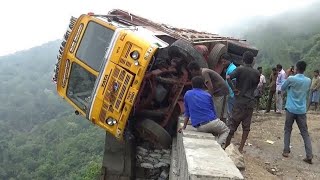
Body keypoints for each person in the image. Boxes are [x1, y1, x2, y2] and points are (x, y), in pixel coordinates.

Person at [224, 51, 260, 153]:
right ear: (252, 61)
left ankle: (226, 145)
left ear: (243, 60)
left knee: (232, 124)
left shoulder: (240, 69)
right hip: (250, 102)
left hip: (239, 101)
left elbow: (228, 77)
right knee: (246, 127)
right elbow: (255, 86)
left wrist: (234, 89)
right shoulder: (257, 73)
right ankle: (241, 148)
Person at [178, 76, 230, 145]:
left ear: (192, 84)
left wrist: (184, 127)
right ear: (203, 85)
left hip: (199, 127)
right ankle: (217, 146)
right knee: (226, 130)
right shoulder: (207, 95)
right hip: (211, 122)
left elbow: (187, 113)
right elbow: (213, 111)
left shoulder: (187, 94)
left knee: (214, 129)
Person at [281, 61, 313, 164]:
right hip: (301, 110)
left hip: (290, 109)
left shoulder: (291, 79)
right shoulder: (308, 80)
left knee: (288, 129)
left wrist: (287, 75)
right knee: (305, 132)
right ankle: (309, 155)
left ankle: (286, 151)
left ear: (296, 68)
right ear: (304, 69)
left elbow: (282, 88)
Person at [220, 53, 237, 120]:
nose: (223, 63)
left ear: (229, 60)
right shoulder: (229, 68)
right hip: (230, 93)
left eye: (224, 61)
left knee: (231, 111)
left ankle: (231, 126)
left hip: (232, 94)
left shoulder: (232, 69)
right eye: (222, 62)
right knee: (230, 111)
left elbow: (234, 81)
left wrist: (234, 91)